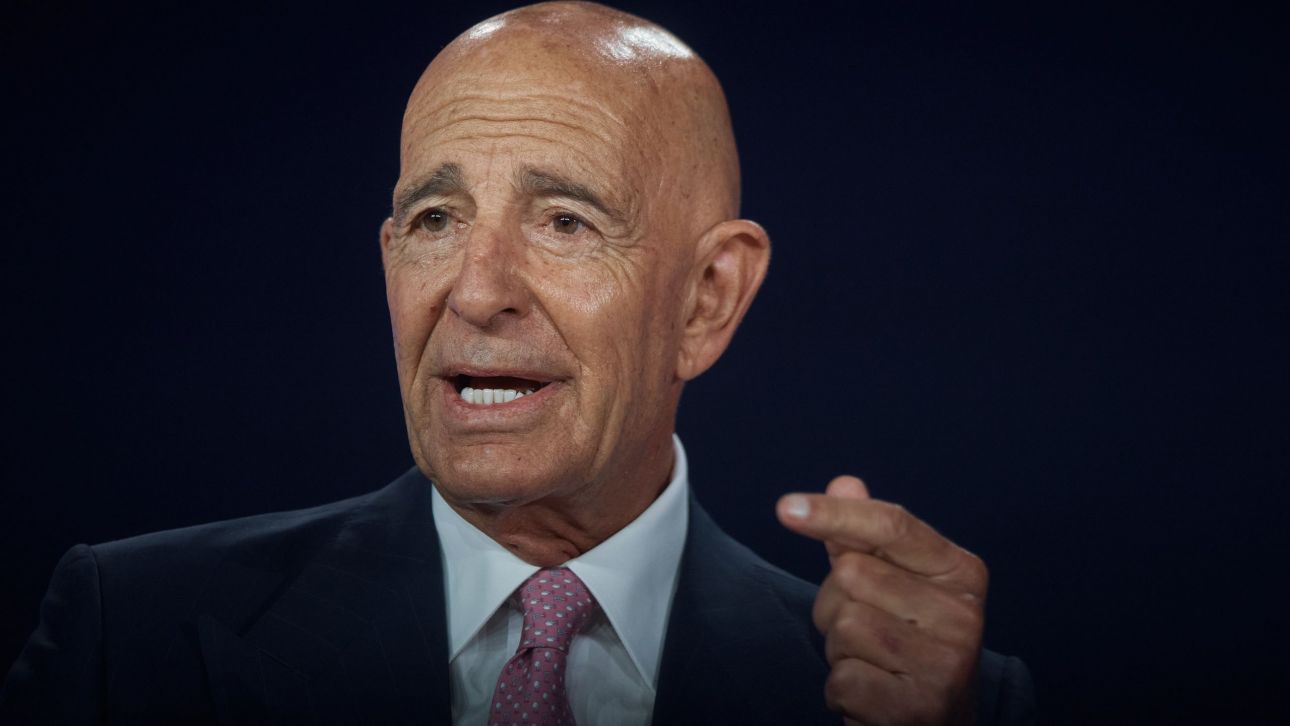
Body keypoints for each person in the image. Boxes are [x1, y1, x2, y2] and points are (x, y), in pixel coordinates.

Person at [1, 2, 1034, 724]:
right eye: (436, 219)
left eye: (566, 221)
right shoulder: (130, 636)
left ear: (706, 298)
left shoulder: (915, 698)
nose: (476, 290)